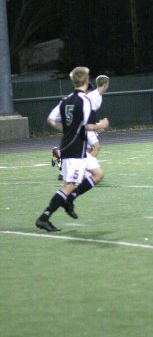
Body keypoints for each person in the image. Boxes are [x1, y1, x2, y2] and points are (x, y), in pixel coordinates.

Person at [35, 66, 109, 232]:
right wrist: (101, 125)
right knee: (69, 185)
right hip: (74, 150)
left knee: (98, 174)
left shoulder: (66, 99)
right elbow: (88, 125)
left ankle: (70, 200)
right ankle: (44, 217)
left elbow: (51, 119)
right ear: (86, 80)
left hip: (79, 148)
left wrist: (67, 129)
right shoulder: (84, 100)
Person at [50, 75, 110, 182]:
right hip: (82, 126)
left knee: (85, 150)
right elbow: (83, 112)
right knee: (96, 147)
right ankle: (85, 173)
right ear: (105, 85)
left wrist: (95, 126)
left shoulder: (99, 96)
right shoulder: (93, 96)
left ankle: (61, 163)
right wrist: (96, 125)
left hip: (84, 125)